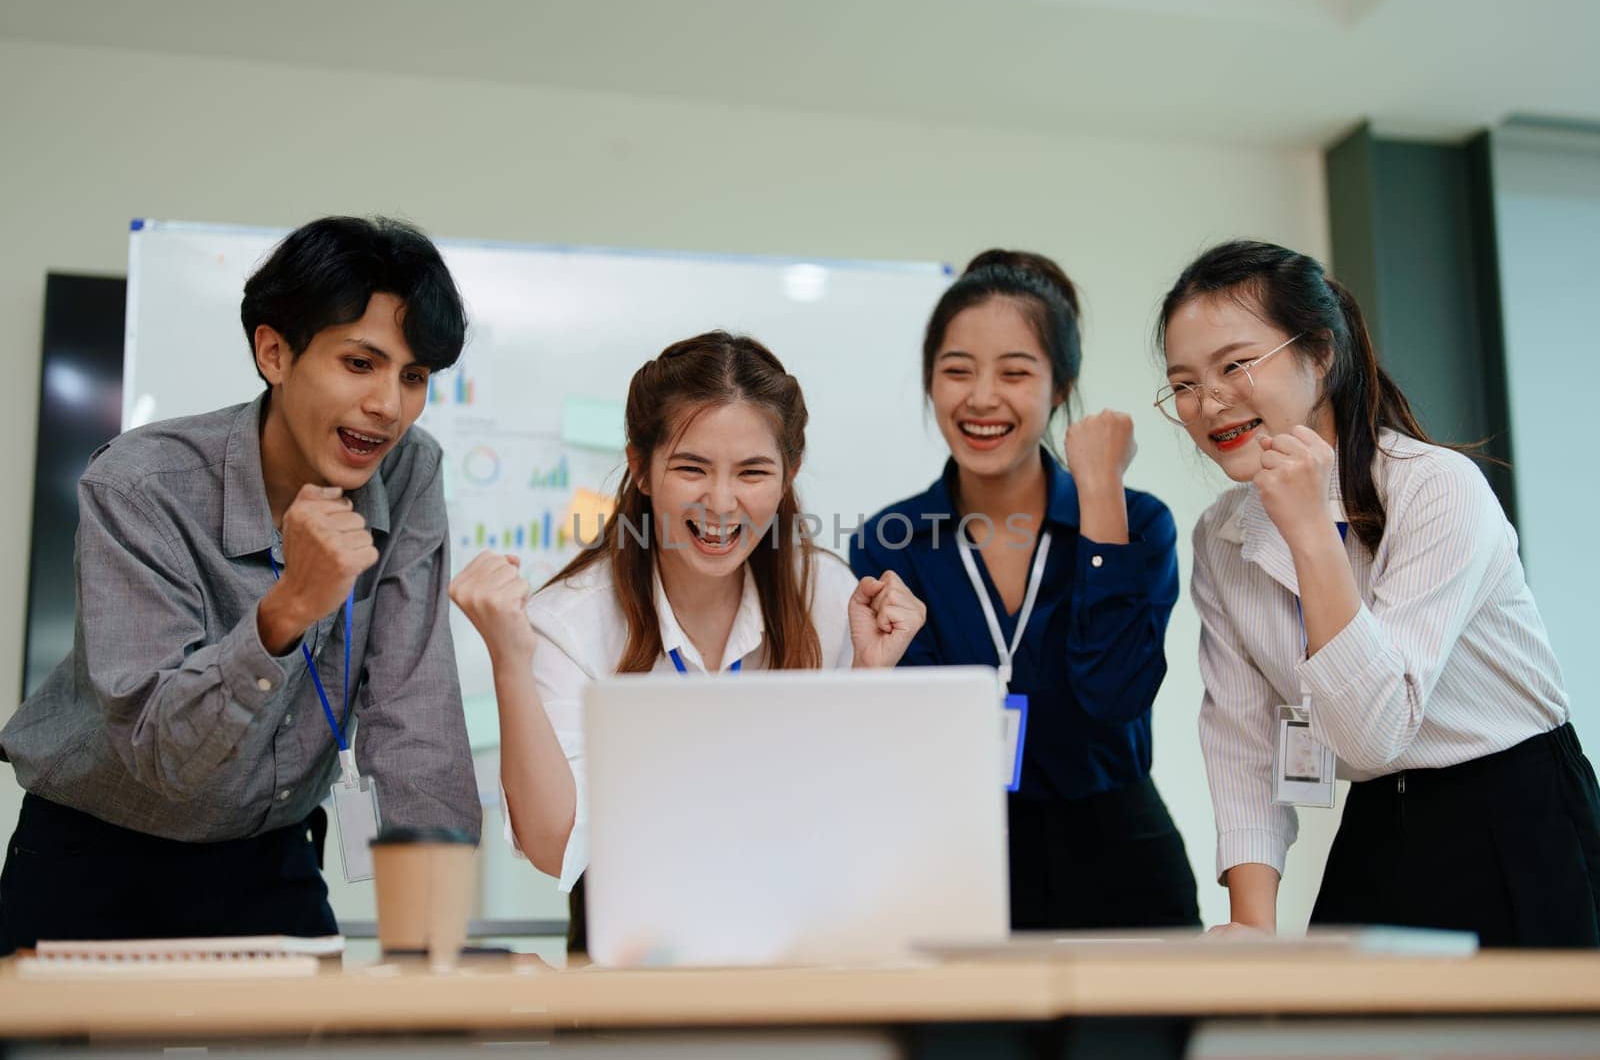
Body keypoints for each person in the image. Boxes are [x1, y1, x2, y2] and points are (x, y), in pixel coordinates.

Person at [0, 216, 482, 953]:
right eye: (361, 363)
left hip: (270, 853)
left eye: (413, 376)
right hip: (96, 857)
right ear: (274, 351)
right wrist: (286, 608)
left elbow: (415, 712)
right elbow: (161, 754)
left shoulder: (410, 472)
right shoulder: (140, 485)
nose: (390, 404)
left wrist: (431, 941)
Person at [1160, 238, 1600, 945]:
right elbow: (1241, 736)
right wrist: (1251, 925)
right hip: (1379, 816)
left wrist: (1308, 531)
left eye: (1235, 365)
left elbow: (1373, 729)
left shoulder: (1436, 487)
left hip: (1517, 812)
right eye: (1183, 382)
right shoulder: (1221, 536)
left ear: (1321, 354)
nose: (1209, 401)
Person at [449, 330, 927, 950]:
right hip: (633, 963)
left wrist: (870, 678)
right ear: (641, 469)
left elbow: (860, 826)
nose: (722, 502)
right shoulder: (569, 622)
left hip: (802, 950)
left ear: (789, 476)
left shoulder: (829, 599)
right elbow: (553, 843)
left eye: (753, 472)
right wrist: (510, 664)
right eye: (691, 468)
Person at [851, 249, 1199, 931]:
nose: (981, 397)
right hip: (954, 869)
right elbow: (904, 736)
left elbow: (1113, 694)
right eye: (957, 370)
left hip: (1121, 868)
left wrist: (1099, 493)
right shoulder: (888, 541)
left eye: (1015, 371)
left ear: (1061, 384)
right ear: (930, 383)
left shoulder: (1139, 522)